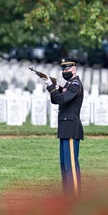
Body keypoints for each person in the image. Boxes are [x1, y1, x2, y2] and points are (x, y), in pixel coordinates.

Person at [37, 57, 84, 196]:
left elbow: (62, 99)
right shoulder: (69, 85)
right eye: (63, 69)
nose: (65, 71)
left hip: (71, 128)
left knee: (71, 167)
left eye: (67, 68)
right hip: (65, 127)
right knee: (65, 167)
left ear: (74, 69)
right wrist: (54, 86)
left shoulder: (75, 84)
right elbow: (55, 100)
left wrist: (50, 85)